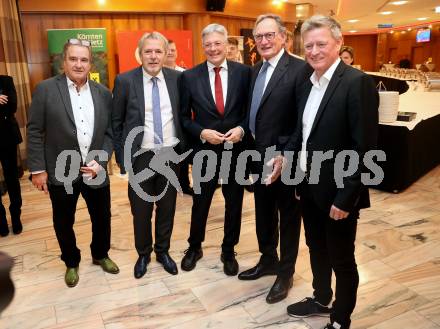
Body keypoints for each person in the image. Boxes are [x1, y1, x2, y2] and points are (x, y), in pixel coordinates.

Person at [276, 15, 378, 329]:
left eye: (321, 44)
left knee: (341, 259)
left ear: (338, 42)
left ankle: (340, 319)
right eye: (309, 45)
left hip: (338, 194)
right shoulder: (309, 82)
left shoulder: (355, 82)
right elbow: (301, 133)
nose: (314, 50)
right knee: (316, 248)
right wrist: (289, 164)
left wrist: (347, 198)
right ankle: (322, 299)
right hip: (308, 187)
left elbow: (366, 148)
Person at [27, 39, 119, 288]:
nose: (79, 64)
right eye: (73, 59)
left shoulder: (103, 92)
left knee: (102, 217)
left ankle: (100, 254)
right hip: (61, 170)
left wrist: (101, 161)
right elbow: (34, 130)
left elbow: (110, 133)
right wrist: (38, 169)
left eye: (84, 59)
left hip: (95, 170)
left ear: (91, 63)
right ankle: (71, 261)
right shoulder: (46, 89)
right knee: (63, 220)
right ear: (63, 61)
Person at [237, 13, 308, 304]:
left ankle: (286, 272)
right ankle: (268, 259)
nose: (264, 41)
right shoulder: (255, 69)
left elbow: (303, 120)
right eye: (259, 36)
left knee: (288, 215)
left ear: (283, 37)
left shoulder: (300, 69)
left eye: (269, 35)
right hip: (257, 154)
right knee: (263, 210)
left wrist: (286, 154)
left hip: (285, 158)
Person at [112, 32, 186, 278]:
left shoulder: (178, 79)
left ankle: (162, 251)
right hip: (140, 156)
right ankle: (143, 253)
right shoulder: (125, 80)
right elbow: (117, 122)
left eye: (158, 51)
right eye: (148, 51)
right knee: (141, 211)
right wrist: (123, 160)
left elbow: (184, 116)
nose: (153, 56)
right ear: (140, 53)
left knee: (167, 208)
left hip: (169, 155)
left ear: (166, 54)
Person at [180, 23, 251, 276]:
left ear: (227, 45)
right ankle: (194, 247)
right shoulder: (189, 76)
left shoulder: (245, 73)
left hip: (237, 149)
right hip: (205, 150)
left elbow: (250, 112)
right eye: (207, 44)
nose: (213, 49)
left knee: (234, 202)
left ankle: (228, 250)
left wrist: (242, 129)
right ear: (203, 47)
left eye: (217, 43)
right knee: (201, 201)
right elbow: (184, 117)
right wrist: (202, 132)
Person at [0, 75, 23, 236]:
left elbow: (12, 106)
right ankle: (0, 220)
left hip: (7, 135)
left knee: (12, 178)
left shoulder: (6, 80)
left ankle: (16, 216)